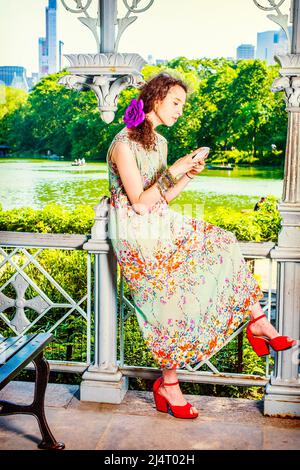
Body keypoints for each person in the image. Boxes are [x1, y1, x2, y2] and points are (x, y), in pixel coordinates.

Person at [106, 73, 295, 420]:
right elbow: (139, 203)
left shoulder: (159, 143)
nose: (180, 110)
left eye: (182, 104)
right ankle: (170, 385)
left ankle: (257, 320)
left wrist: (187, 175)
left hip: (160, 223)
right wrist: (174, 169)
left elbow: (162, 196)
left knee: (223, 242)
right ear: (156, 98)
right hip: (136, 234)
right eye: (176, 102)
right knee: (164, 302)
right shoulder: (122, 144)